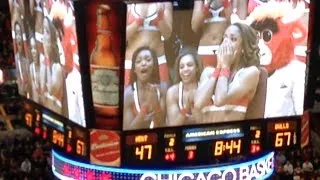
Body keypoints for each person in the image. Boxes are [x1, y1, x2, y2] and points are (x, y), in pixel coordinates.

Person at [194, 23, 260, 123]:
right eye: (224, 38)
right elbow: (198, 104)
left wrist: (225, 66)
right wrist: (218, 68)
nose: (226, 43)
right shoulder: (208, 72)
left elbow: (220, 100)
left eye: (233, 39)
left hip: (232, 134)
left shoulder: (249, 73)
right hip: (207, 133)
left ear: (243, 48)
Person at [125, 2, 172, 87]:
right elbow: (122, 36)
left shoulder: (165, 3)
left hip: (158, 60)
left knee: (160, 95)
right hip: (131, 61)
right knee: (128, 96)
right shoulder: (129, 4)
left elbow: (167, 35)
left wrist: (160, 17)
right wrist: (139, 20)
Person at [191, 0, 246, 68]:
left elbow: (239, 27)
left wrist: (225, 3)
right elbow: (194, 27)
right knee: (205, 77)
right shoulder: (200, 1)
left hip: (226, 49)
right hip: (205, 48)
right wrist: (206, 5)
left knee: (225, 77)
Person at [123, 47, 166, 130]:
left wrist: (155, 103)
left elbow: (162, 124)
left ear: (154, 66)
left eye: (148, 60)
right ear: (134, 69)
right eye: (138, 61)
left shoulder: (162, 89)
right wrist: (145, 107)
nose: (143, 63)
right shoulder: (127, 94)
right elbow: (129, 130)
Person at [166, 48, 202, 126]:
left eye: (189, 65)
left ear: (197, 68)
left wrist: (193, 107)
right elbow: (173, 125)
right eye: (181, 67)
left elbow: (206, 122)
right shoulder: (172, 92)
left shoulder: (204, 88)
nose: (185, 69)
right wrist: (186, 108)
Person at [42, 16, 64, 115]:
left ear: (52, 38)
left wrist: (46, 59)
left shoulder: (58, 68)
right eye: (42, 31)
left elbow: (50, 91)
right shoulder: (45, 64)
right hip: (47, 114)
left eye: (46, 31)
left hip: (58, 117)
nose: (43, 37)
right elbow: (42, 87)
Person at [13, 21, 30, 97]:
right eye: (17, 34)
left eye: (20, 33)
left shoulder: (28, 58)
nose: (18, 37)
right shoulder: (16, 58)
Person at [28, 35, 40, 103]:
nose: (33, 51)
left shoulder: (45, 68)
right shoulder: (31, 67)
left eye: (35, 48)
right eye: (32, 48)